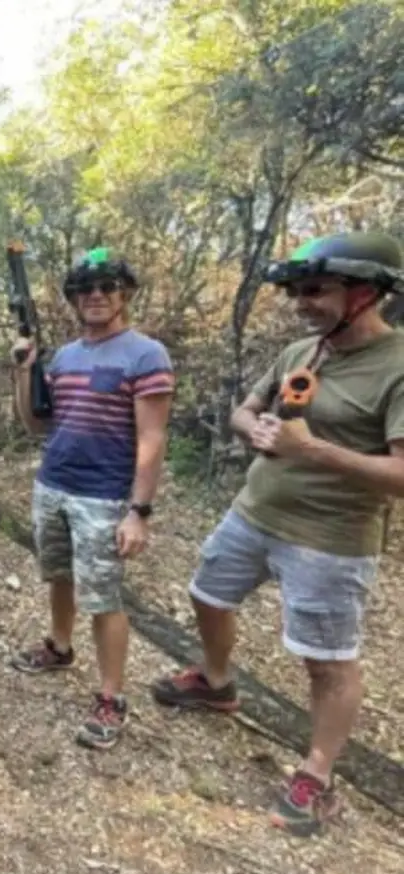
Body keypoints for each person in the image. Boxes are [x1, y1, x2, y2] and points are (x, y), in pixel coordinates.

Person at [150, 232, 404, 837]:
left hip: (330, 538)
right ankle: (216, 683)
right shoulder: (303, 350)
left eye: (314, 290)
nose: (300, 302)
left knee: (326, 661)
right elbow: (245, 408)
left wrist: (308, 446)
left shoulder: (397, 367)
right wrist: (253, 428)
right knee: (207, 595)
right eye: (295, 291)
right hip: (254, 511)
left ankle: (317, 774)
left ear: (366, 291)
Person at [10, 247, 175, 750]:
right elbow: (37, 425)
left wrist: (138, 511)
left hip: (103, 496)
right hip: (54, 484)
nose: (97, 296)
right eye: (86, 290)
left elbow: (152, 439)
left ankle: (111, 695)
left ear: (124, 293)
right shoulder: (65, 356)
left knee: (103, 596)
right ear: (75, 300)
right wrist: (23, 372)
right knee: (58, 575)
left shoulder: (145, 355)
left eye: (106, 287)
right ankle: (60, 646)